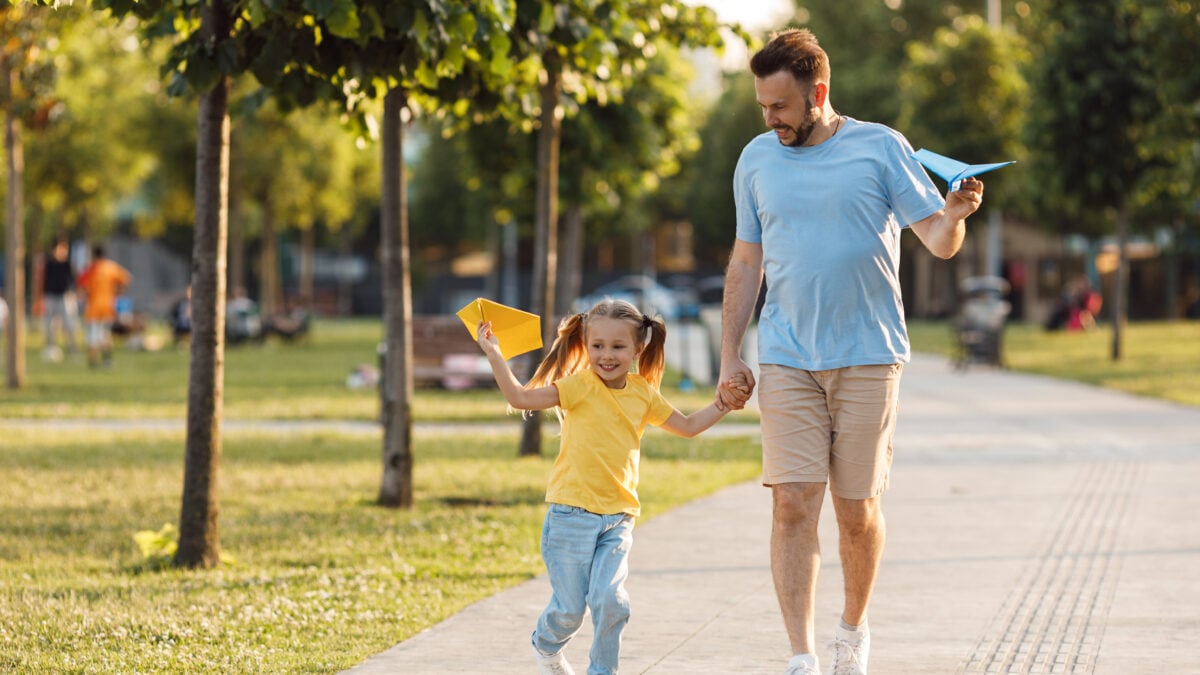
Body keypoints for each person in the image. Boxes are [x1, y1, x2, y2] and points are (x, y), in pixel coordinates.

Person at [715, 29, 985, 675]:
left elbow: (938, 240)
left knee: (856, 510)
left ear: (819, 93)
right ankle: (802, 655)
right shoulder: (755, 158)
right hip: (786, 355)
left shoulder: (881, 148)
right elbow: (745, 261)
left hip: (869, 353)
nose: (770, 119)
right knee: (791, 502)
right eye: (763, 106)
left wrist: (955, 214)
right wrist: (731, 354)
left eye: (780, 106)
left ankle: (853, 630)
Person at [475, 299, 746, 675]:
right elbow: (519, 398)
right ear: (586, 346)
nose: (606, 355)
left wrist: (725, 404)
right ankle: (546, 644)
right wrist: (494, 354)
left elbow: (687, 426)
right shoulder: (578, 386)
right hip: (570, 518)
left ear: (638, 349)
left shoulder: (643, 393)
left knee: (613, 602)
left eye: (617, 347)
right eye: (597, 346)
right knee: (569, 610)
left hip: (618, 519)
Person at [76, 244, 132, 369]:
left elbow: (81, 286)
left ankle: (93, 363)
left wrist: (85, 295)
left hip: (93, 307)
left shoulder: (91, 269)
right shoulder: (111, 267)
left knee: (92, 336)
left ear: (94, 255)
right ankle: (107, 360)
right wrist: (118, 292)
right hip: (108, 306)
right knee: (105, 334)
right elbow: (126, 278)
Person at [41, 237, 80, 361]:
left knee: (69, 324)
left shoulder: (67, 264)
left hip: (64, 296)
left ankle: (72, 349)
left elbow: (72, 281)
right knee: (49, 324)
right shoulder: (48, 263)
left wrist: (73, 294)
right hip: (50, 296)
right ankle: (50, 348)